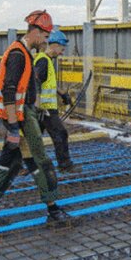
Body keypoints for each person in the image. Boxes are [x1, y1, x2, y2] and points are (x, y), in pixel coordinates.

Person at [0, 10, 73, 228]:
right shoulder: (18, 55)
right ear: (36, 32)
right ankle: (53, 209)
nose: (46, 41)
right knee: (38, 159)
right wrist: (12, 128)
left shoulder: (26, 53)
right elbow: (9, 91)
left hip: (24, 114)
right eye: (46, 37)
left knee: (14, 160)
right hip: (19, 116)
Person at [33, 30, 81, 173]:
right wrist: (38, 106)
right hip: (45, 109)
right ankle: (65, 165)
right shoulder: (43, 61)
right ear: (53, 45)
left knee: (33, 138)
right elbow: (36, 83)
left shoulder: (47, 60)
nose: (62, 51)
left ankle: (24, 165)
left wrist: (62, 94)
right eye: (61, 48)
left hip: (44, 108)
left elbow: (48, 83)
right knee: (60, 134)